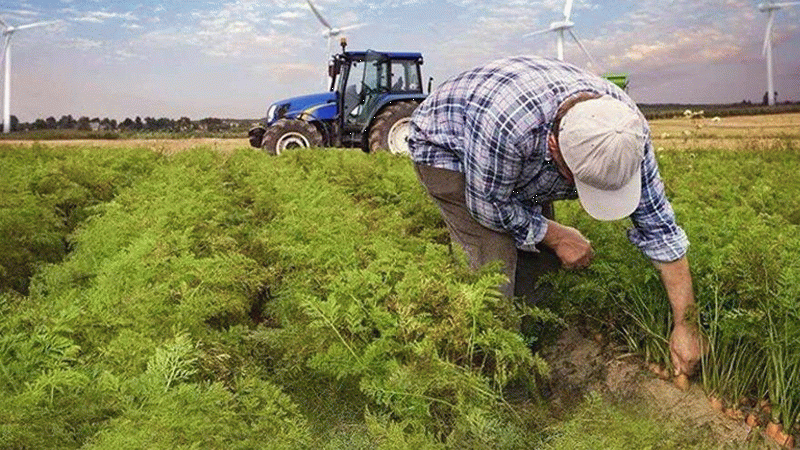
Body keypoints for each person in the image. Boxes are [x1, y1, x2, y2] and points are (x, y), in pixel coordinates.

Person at [408, 56, 704, 377]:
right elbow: (489, 206)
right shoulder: (507, 127)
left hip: (517, 150)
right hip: (448, 148)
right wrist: (558, 235)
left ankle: (539, 345)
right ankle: (492, 373)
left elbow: (660, 230)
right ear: (554, 147)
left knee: (541, 262)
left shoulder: (626, 132)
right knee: (492, 268)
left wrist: (686, 324)